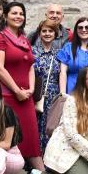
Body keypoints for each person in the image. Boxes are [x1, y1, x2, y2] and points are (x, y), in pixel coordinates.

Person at [0, 2, 44, 174]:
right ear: (5, 16)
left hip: (24, 97)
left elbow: (30, 66)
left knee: (32, 139)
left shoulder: (24, 39)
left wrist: (31, 90)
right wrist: (16, 90)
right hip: (6, 97)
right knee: (5, 140)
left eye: (21, 13)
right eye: (14, 13)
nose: (18, 16)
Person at [32, 19, 63, 153]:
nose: (47, 33)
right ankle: (33, 167)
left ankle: (48, 165)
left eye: (50, 31)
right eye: (44, 31)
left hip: (53, 96)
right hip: (36, 95)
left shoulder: (60, 53)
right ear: (39, 34)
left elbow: (62, 74)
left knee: (51, 129)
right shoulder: (32, 51)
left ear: (55, 34)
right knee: (35, 129)